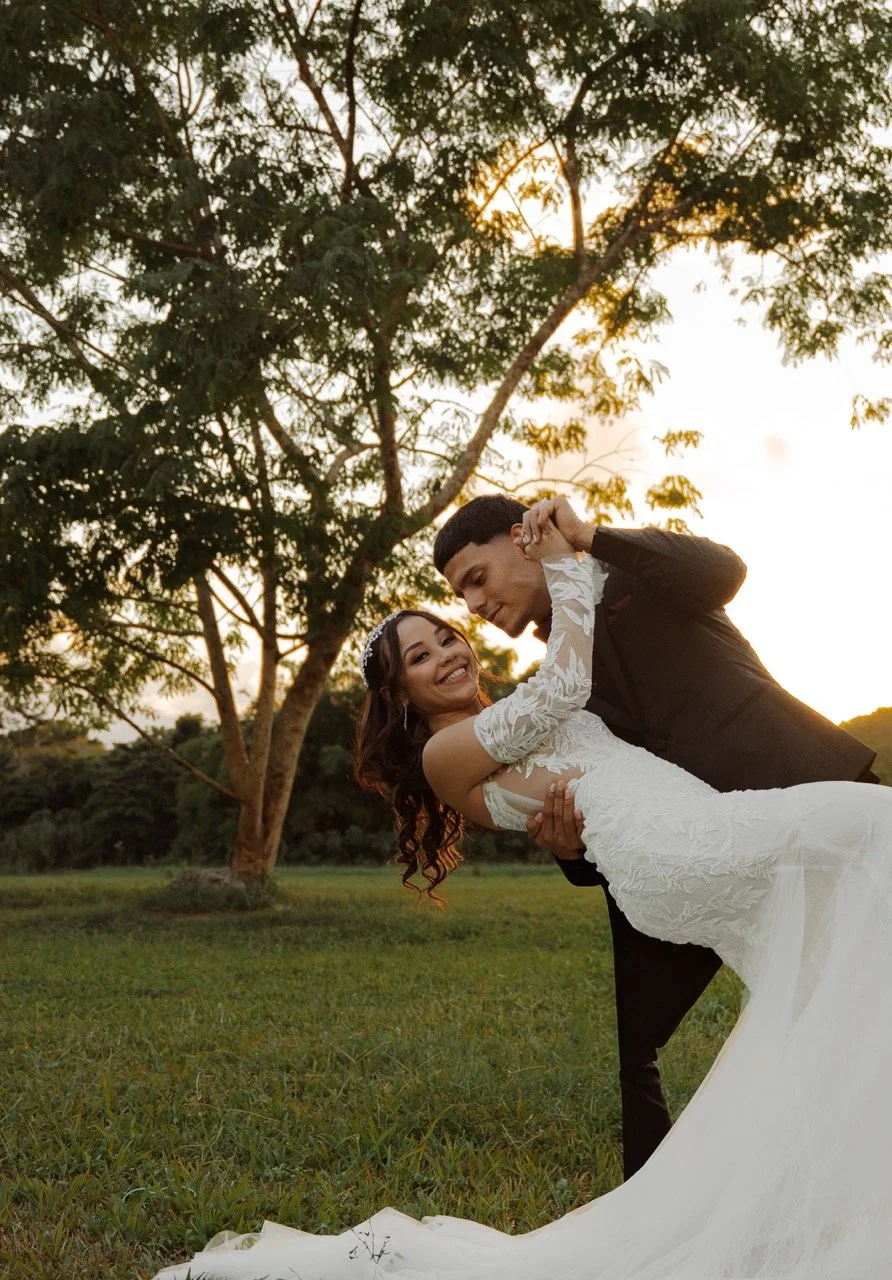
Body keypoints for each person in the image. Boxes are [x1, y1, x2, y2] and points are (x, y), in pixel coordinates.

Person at [154, 514, 892, 1280]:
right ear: (398, 692)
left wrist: (580, 551)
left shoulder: (508, 716)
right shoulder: (449, 752)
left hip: (676, 842)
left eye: (448, 633)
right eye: (421, 653)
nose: (451, 645)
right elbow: (568, 687)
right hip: (683, 845)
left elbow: (589, 767)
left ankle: (844, 1200)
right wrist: (565, 559)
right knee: (880, 827)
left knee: (833, 987)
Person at [432, 494, 877, 1178]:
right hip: (682, 854)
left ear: (521, 538)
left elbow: (723, 570)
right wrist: (568, 851)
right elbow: (595, 795)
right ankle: (653, 1199)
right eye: (461, 593)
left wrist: (592, 536)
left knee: (860, 973)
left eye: (475, 578)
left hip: (795, 783)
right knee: (639, 1049)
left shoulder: (634, 573)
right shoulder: (554, 674)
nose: (473, 603)